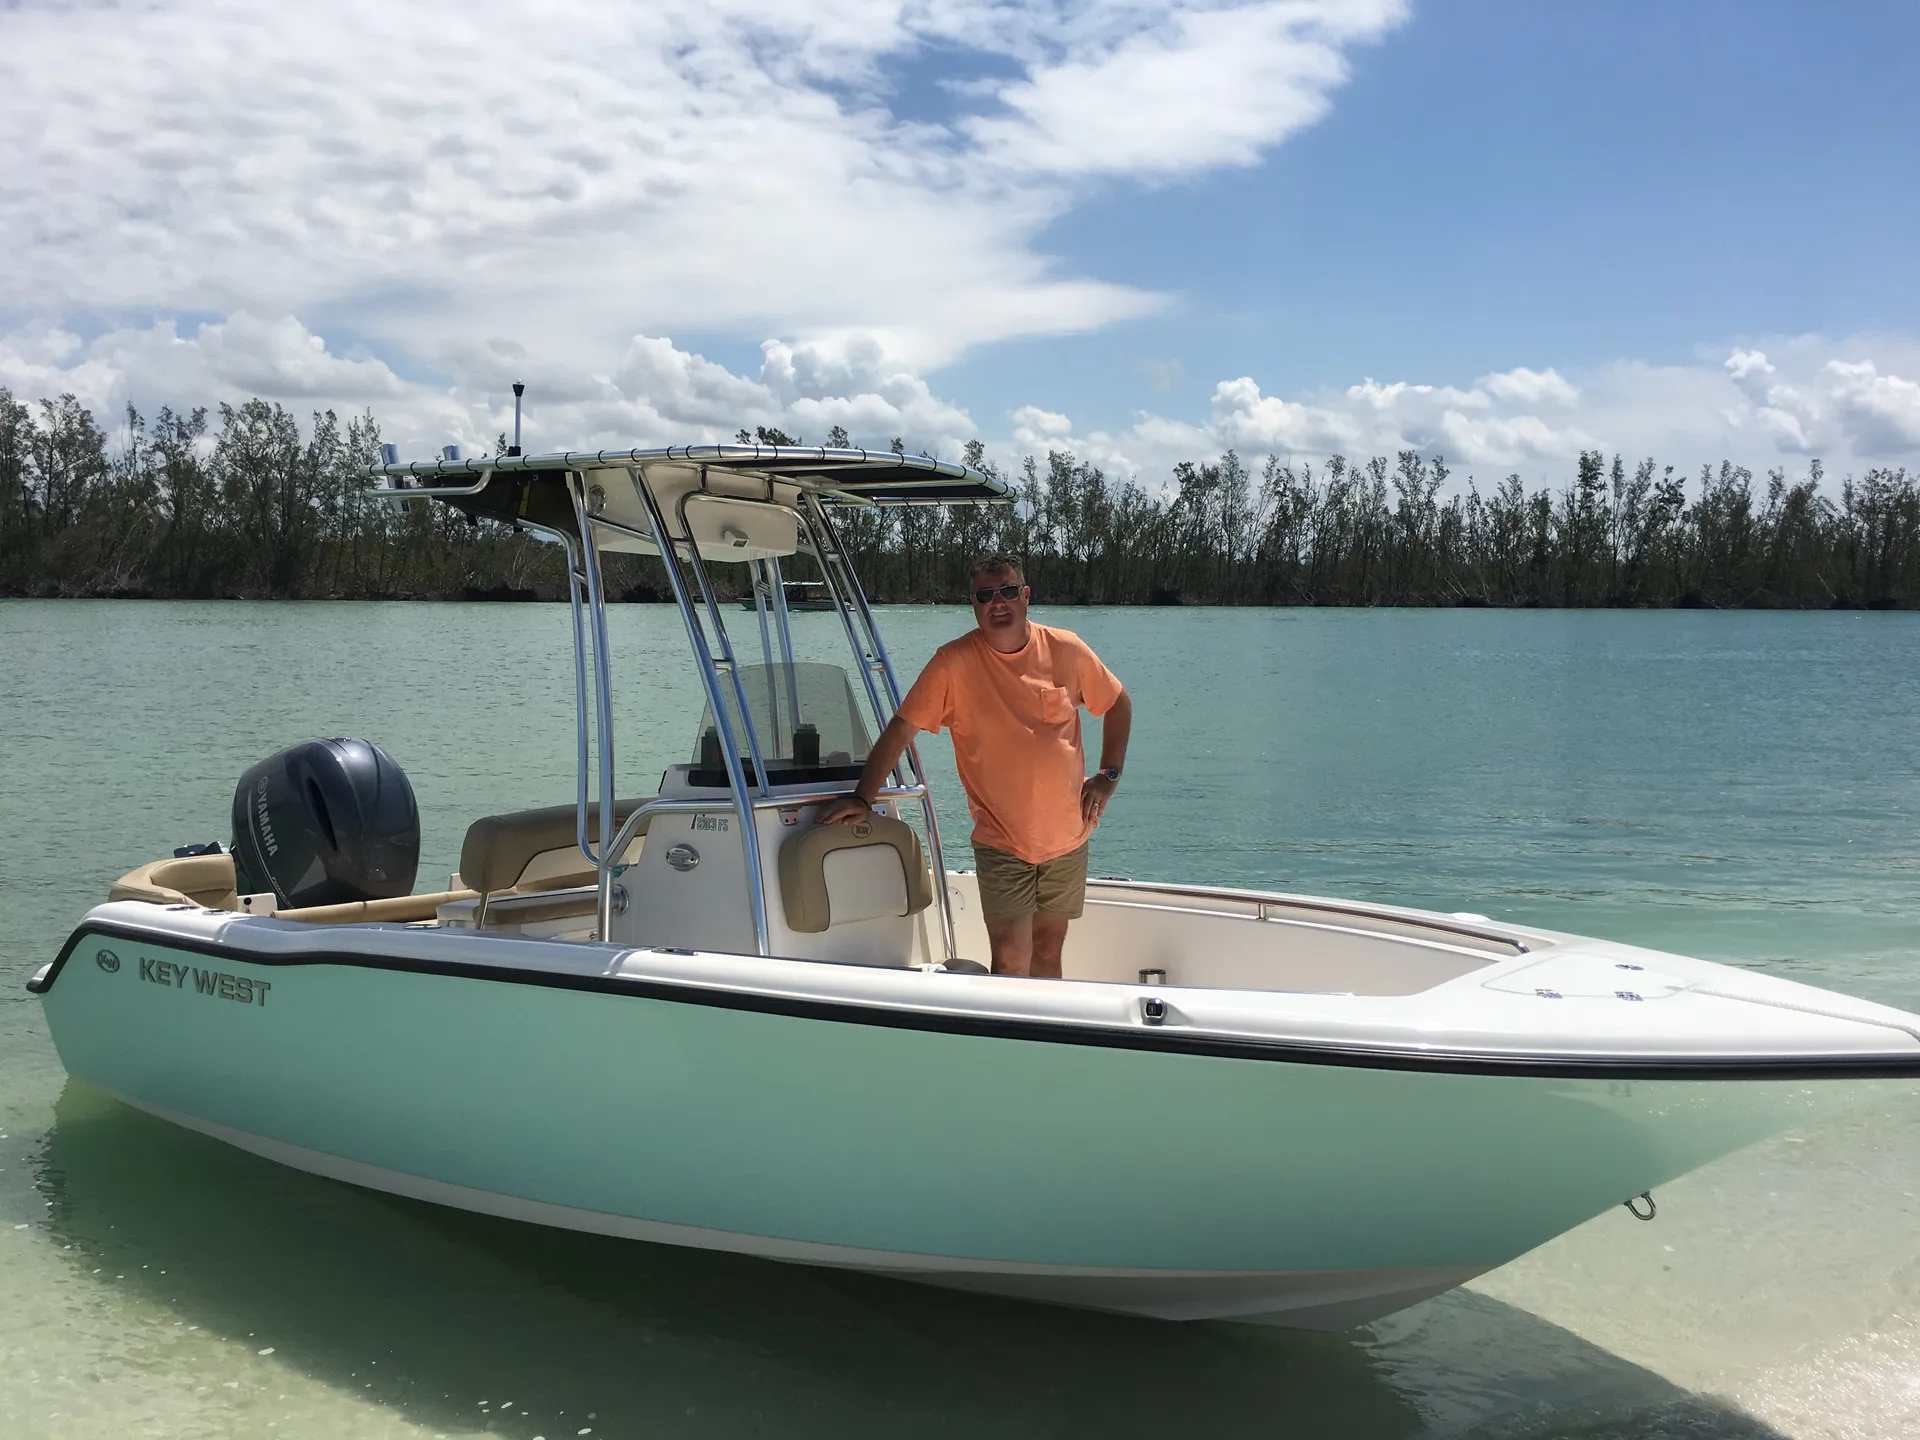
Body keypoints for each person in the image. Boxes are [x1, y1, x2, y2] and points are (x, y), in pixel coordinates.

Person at [818, 555, 1131, 977]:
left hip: (1068, 835)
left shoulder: (1067, 649)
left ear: (1025, 595)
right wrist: (862, 796)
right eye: (986, 595)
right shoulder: (953, 663)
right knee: (1010, 957)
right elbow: (901, 729)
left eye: (1007, 591)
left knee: (1048, 951)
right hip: (1001, 839)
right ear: (974, 604)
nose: (997, 602)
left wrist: (1109, 776)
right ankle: (1004, 1041)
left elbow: (1117, 704)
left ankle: (1040, 1041)